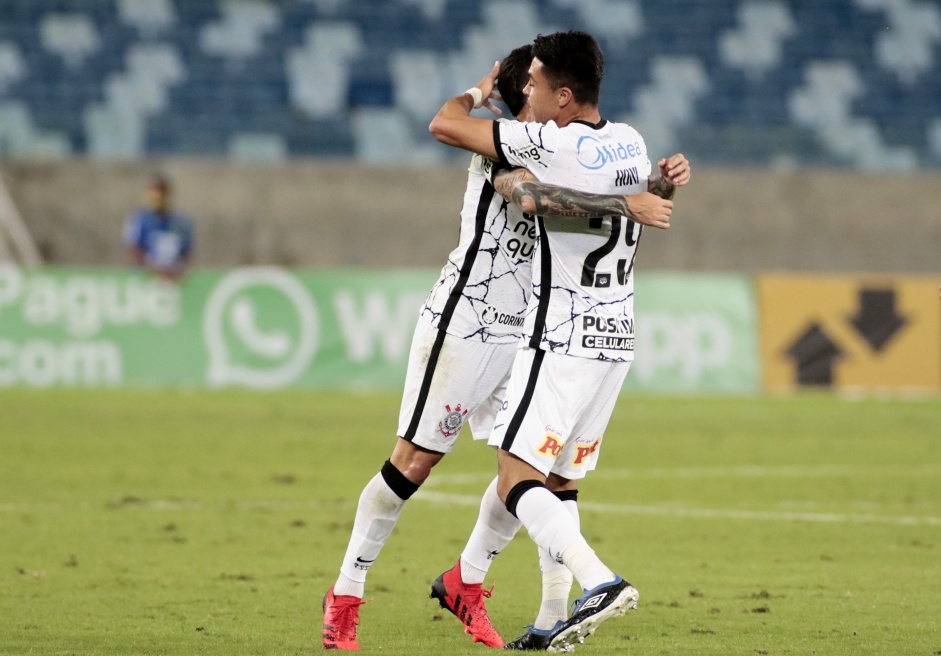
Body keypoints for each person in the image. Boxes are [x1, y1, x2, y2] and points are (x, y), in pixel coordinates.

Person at [322, 44, 678, 651]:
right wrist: (472, 94)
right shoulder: (510, 145)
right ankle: (347, 591)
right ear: (520, 106)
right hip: (468, 321)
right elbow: (503, 169)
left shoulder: (569, 145)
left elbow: (603, 186)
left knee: (527, 470)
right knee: (414, 462)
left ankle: (483, 587)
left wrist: (653, 183)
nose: (541, 107)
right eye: (532, 94)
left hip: (534, 330)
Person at [427, 30, 690, 651]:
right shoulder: (629, 140)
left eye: (536, 83)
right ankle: (545, 618)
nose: (527, 89)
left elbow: (446, 126)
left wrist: (480, 100)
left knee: (516, 475)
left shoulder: (545, 140)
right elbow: (639, 202)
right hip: (615, 336)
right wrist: (652, 192)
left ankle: (599, 581)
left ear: (564, 97)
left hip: (561, 335)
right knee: (561, 483)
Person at [122, 174, 194, 281]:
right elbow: (133, 250)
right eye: (153, 194)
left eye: (160, 193)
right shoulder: (140, 220)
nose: (157, 198)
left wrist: (178, 272)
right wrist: (153, 268)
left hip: (174, 278)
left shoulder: (180, 223)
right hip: (146, 279)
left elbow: (187, 253)